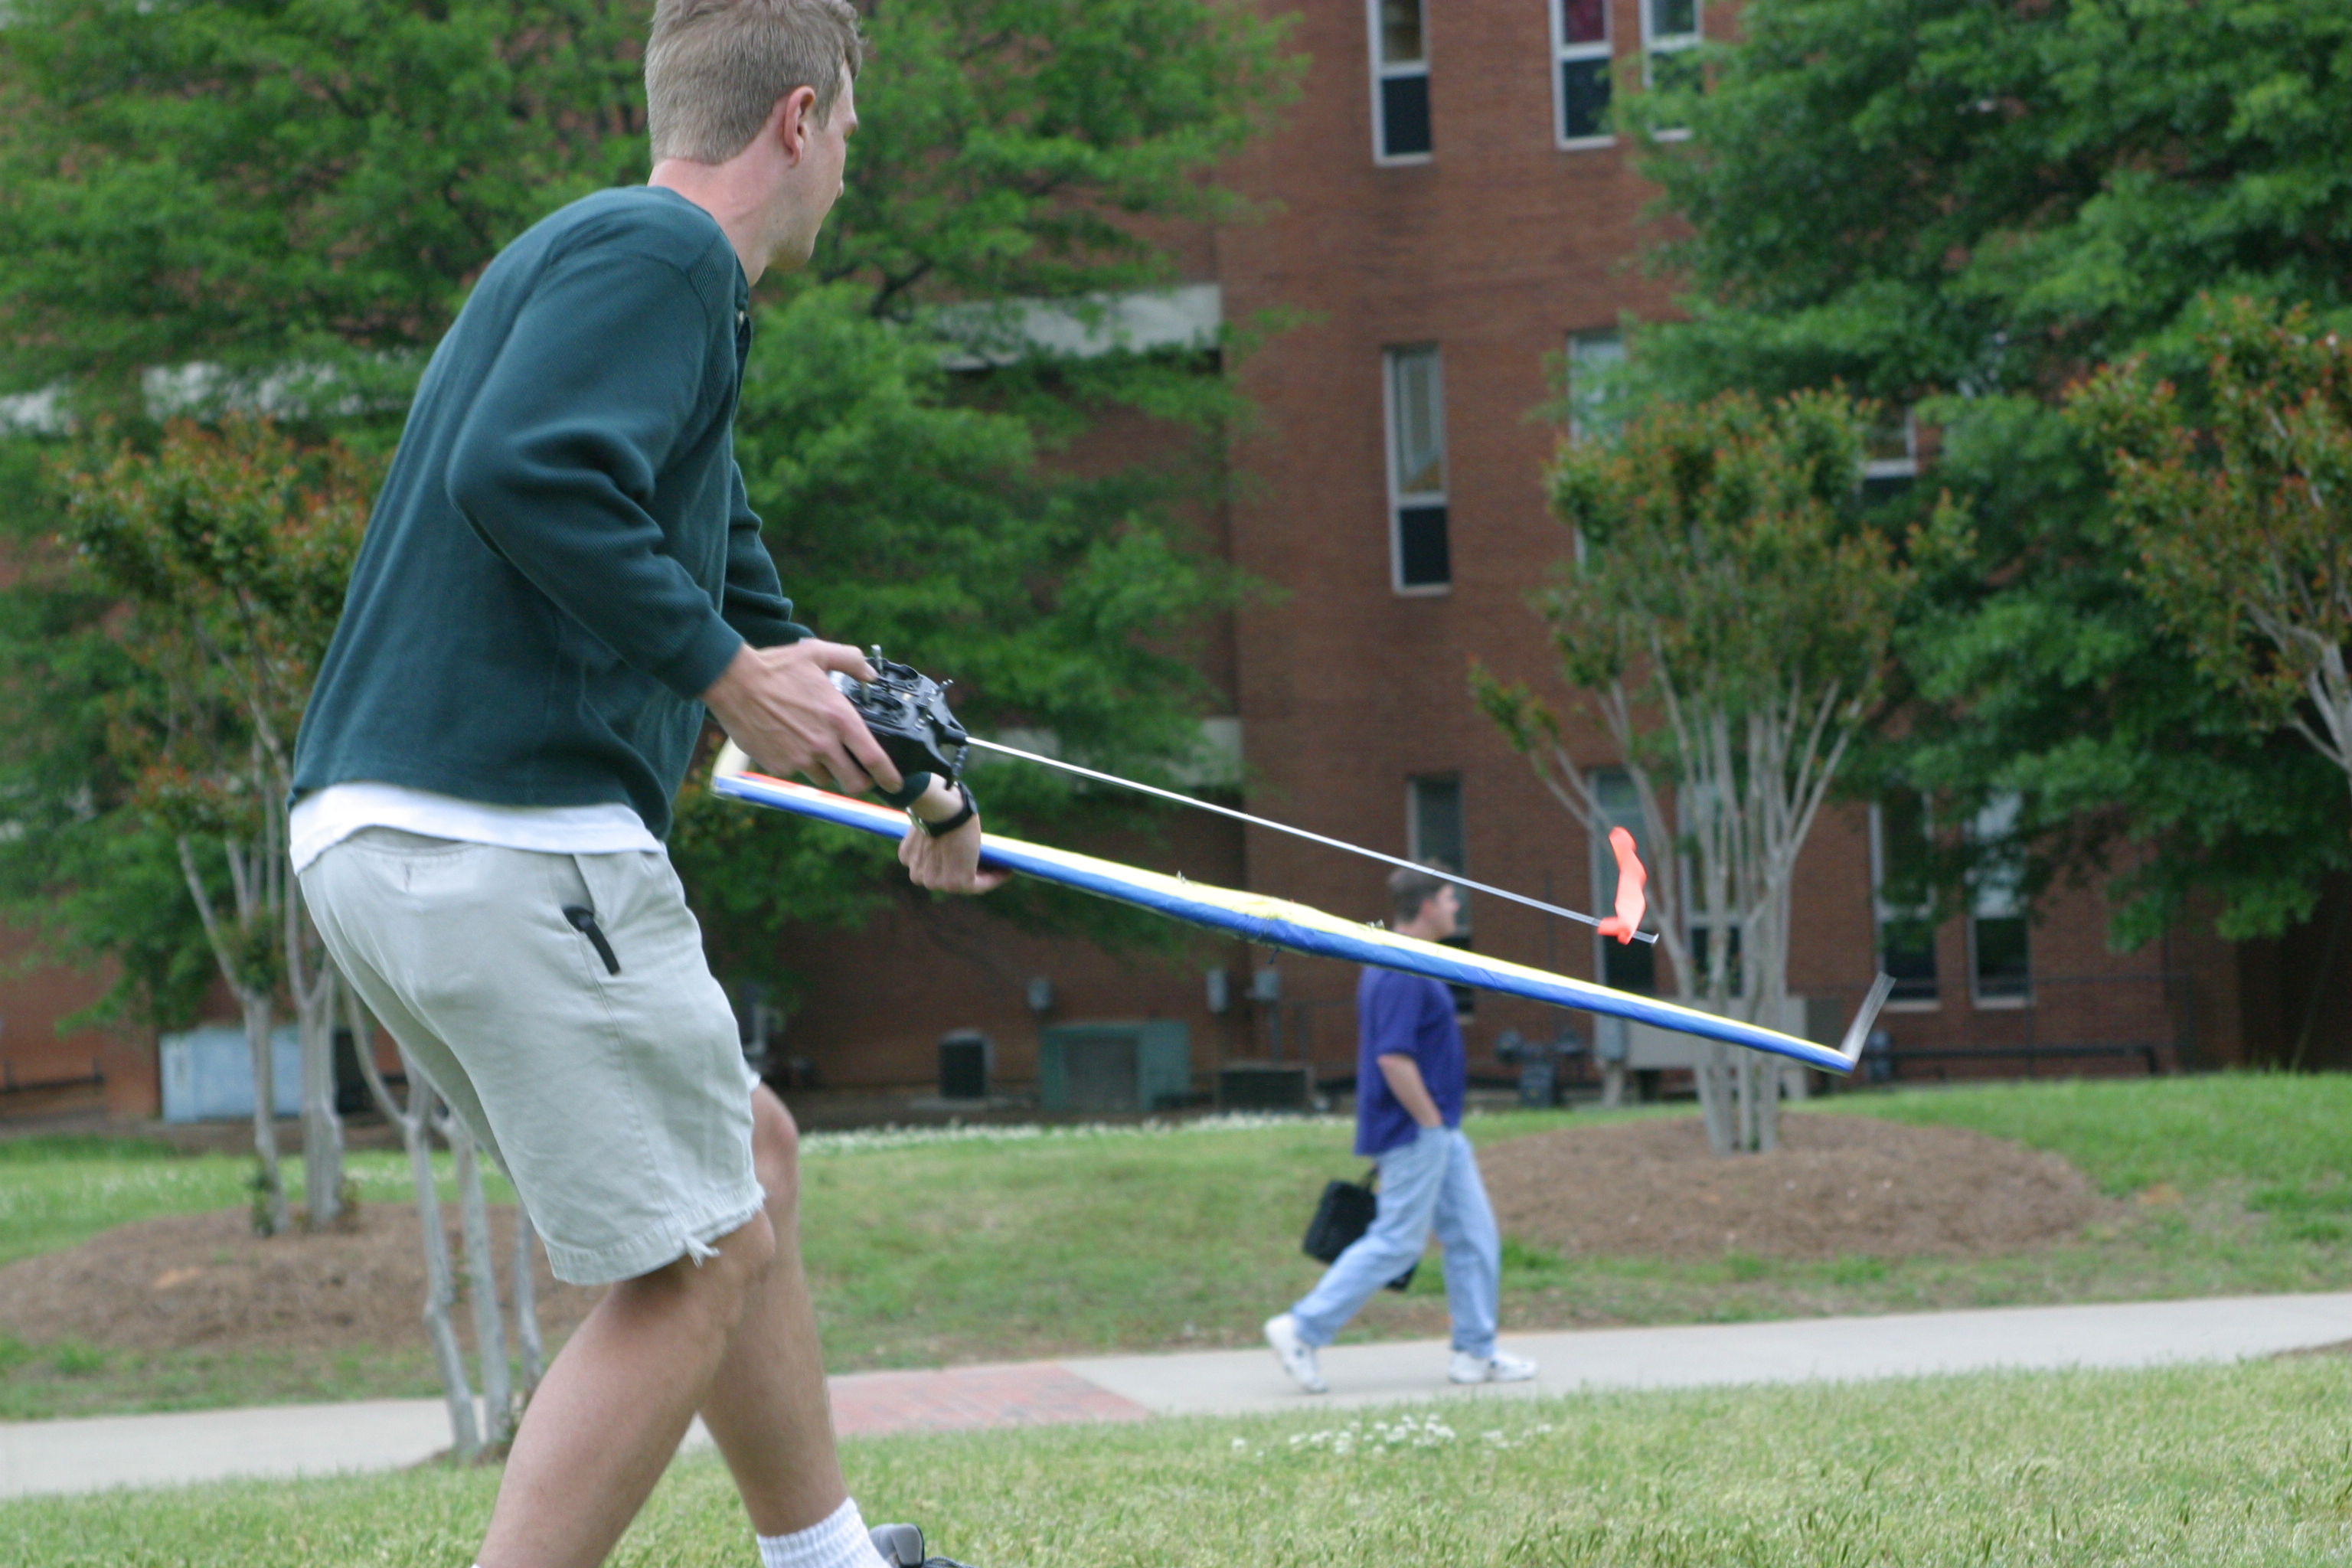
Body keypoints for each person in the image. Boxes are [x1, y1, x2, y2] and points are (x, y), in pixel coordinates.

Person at [289, 3, 995, 1566]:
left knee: (749, 1163)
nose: (845, 177)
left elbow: (728, 571)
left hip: (395, 836)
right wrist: (726, 678)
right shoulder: (661, 259)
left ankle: (824, 1557)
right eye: (851, 141)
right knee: (693, 1261)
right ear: (798, 121)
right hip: (504, 831)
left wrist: (916, 777)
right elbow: (522, 472)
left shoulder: (630, 281)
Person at [1263, 866, 1538, 1395]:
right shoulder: (1399, 966)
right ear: (1427, 906)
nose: (1457, 908)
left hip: (1436, 1130)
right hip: (1415, 1129)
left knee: (1476, 1237)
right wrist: (1432, 1123)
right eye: (1450, 899)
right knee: (1397, 1242)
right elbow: (1393, 1058)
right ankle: (1301, 1329)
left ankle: (1475, 1353)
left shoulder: (1408, 961)